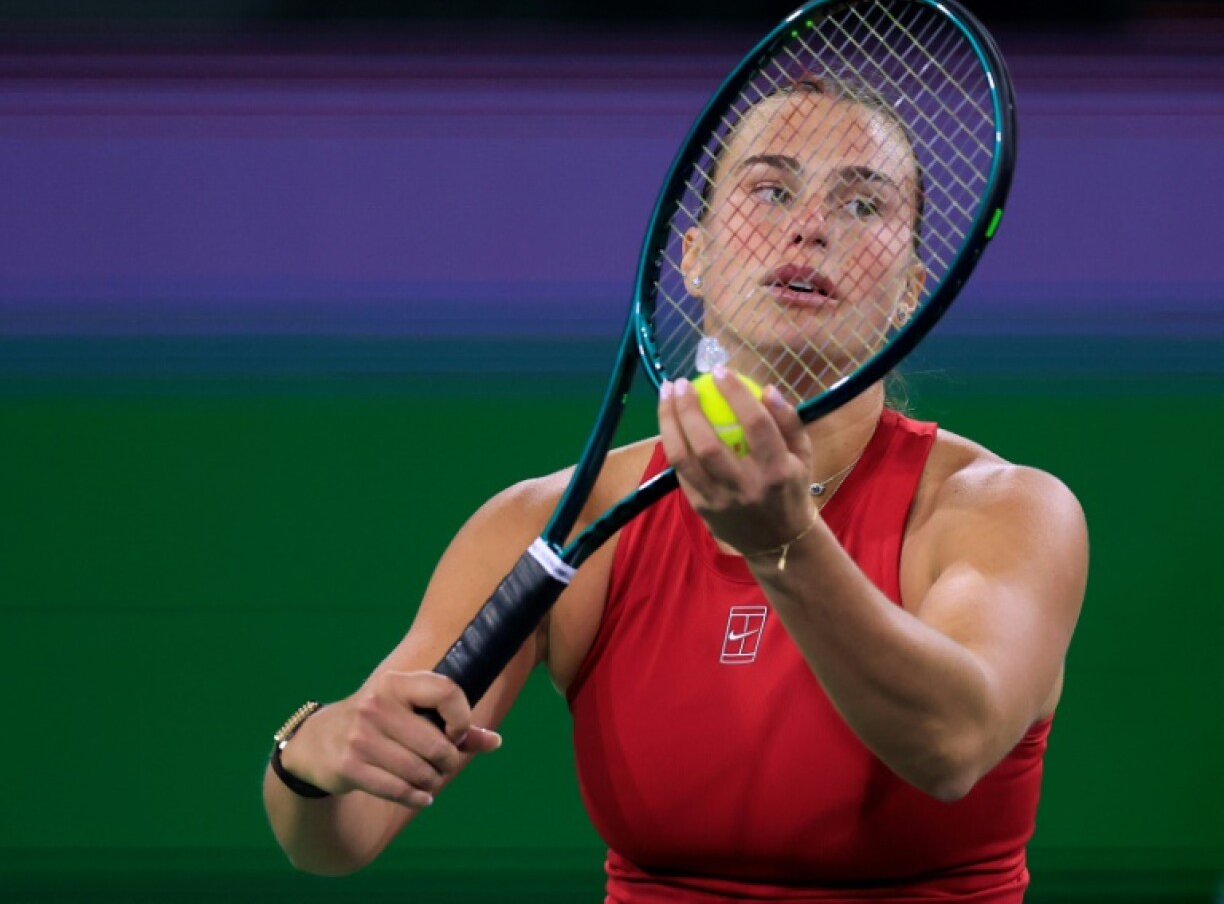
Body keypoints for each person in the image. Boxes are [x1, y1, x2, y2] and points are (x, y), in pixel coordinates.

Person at [263, 73, 1088, 902]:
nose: (810, 227)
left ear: (912, 291)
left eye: (862, 204)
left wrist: (786, 546)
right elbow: (340, 837)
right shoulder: (556, 521)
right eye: (771, 190)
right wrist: (312, 755)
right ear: (695, 256)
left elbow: (951, 744)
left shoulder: (1004, 509)